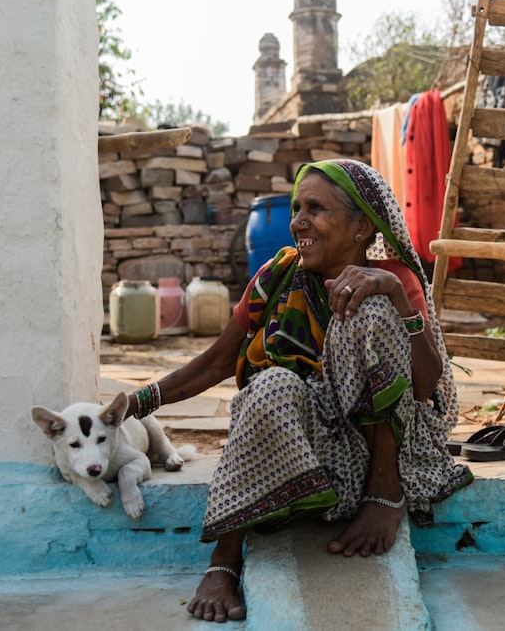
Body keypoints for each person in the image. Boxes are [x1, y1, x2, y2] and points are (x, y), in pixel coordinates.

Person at [127, 159, 472, 623]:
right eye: (296, 207)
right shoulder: (278, 275)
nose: (298, 222)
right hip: (303, 464)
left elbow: (425, 385)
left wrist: (392, 295)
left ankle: (384, 498)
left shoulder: (395, 280)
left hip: (378, 464)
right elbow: (216, 361)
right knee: (270, 383)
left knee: (368, 312)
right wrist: (138, 401)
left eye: (316, 208)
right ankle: (224, 561)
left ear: (362, 226)